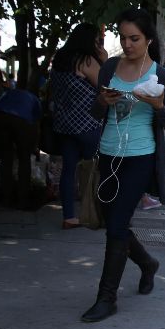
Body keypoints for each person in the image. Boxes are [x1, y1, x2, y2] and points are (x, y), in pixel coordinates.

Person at [81, 8, 165, 323]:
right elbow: (95, 114)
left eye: (134, 38)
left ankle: (106, 298)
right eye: (122, 38)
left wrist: (159, 106)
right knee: (115, 225)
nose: (127, 44)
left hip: (140, 160)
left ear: (149, 39)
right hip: (108, 156)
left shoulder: (159, 75)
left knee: (117, 226)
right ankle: (148, 264)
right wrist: (102, 102)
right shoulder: (109, 67)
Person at [50, 23, 108, 230]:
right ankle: (97, 213)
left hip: (65, 125)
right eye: (95, 41)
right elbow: (106, 86)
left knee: (69, 169)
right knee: (100, 168)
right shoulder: (86, 60)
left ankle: (69, 217)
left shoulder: (59, 60)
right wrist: (105, 60)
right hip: (88, 124)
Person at [0, 88, 42, 210]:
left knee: (6, 157)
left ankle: (5, 197)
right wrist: (34, 146)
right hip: (22, 121)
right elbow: (37, 126)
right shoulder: (35, 101)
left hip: (0, 117)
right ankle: (22, 199)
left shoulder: (9, 93)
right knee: (24, 159)